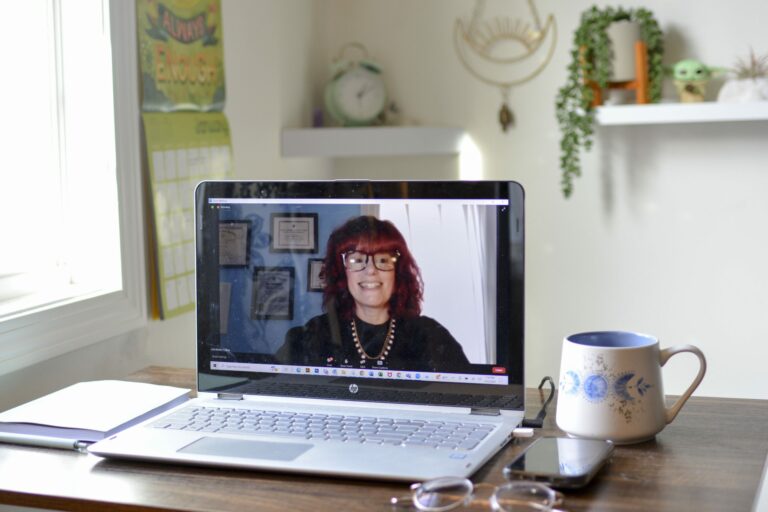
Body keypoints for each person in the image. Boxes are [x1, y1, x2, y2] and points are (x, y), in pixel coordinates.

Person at [277, 215, 470, 372]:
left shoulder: (431, 337)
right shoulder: (311, 336)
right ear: (341, 272)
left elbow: (461, 399)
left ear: (398, 272)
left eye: (383, 260)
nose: (371, 270)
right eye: (357, 260)